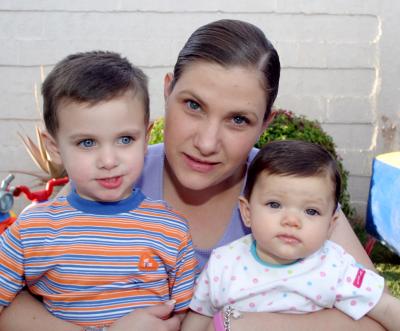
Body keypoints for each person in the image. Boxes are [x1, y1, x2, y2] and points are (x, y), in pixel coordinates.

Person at [0, 19, 387, 331]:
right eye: (193, 105)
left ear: (265, 123)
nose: (206, 142)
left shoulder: (290, 193)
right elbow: (21, 293)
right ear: (167, 91)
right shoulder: (113, 177)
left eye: (238, 119)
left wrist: (236, 323)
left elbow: (377, 315)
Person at [0, 51, 196, 329]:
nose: (108, 161)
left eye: (125, 139)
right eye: (87, 143)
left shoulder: (171, 229)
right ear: (54, 148)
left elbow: (188, 316)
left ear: (146, 137)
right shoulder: (32, 230)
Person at [182, 140, 400, 331]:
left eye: (311, 211)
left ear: (330, 224)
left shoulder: (335, 267)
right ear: (247, 212)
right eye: (275, 204)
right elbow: (200, 316)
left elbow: (386, 308)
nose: (292, 221)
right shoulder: (224, 263)